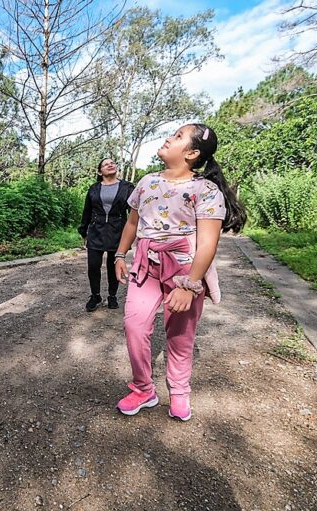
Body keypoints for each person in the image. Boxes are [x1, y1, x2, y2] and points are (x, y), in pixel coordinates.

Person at [114, 124, 246, 421]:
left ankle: (179, 390)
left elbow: (208, 242)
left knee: (180, 335)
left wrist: (190, 284)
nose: (167, 138)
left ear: (192, 153)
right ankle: (143, 388)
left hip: (185, 269)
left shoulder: (206, 190)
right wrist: (120, 255)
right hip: (145, 265)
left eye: (177, 137)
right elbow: (133, 224)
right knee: (134, 326)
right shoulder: (146, 182)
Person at [77, 158, 135, 312]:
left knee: (113, 265)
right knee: (93, 265)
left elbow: (135, 211)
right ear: (99, 171)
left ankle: (112, 295)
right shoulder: (94, 188)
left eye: (112, 162)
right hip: (96, 231)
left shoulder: (127, 187)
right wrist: (83, 231)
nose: (110, 164)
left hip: (118, 231)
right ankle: (95, 295)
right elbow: (87, 211)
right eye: (105, 164)